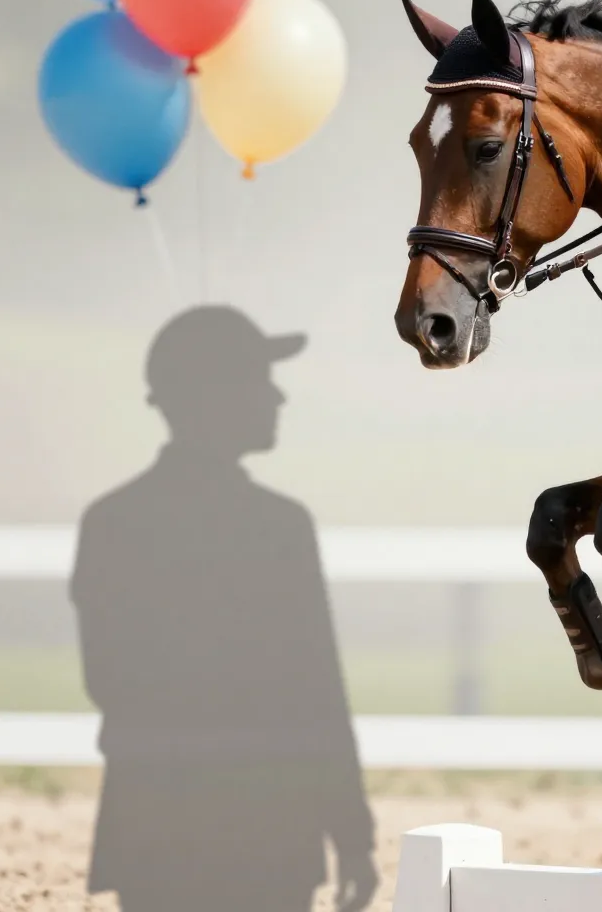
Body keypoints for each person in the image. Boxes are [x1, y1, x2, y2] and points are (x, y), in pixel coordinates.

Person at [71, 306, 376, 912]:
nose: (277, 396)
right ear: (215, 395)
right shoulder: (280, 528)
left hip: (150, 826)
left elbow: (106, 681)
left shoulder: (111, 522)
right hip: (269, 828)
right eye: (259, 378)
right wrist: (351, 834)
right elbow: (318, 693)